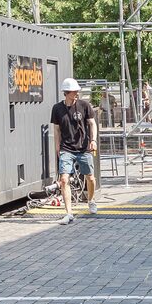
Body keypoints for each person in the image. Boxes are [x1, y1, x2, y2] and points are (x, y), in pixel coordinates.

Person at [50, 78, 98, 221]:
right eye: (74, 91)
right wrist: (57, 147)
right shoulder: (57, 108)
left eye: (77, 91)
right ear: (66, 93)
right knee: (64, 180)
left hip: (83, 148)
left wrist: (93, 140)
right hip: (66, 148)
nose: (77, 93)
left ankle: (91, 200)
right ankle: (69, 213)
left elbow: (92, 123)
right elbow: (56, 129)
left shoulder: (84, 105)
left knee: (90, 178)